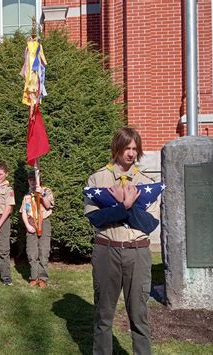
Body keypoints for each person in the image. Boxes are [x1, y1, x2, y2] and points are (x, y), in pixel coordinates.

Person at [84, 128, 160, 355]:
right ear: (116, 148)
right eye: (127, 148)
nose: (131, 154)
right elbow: (96, 219)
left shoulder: (147, 183)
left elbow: (149, 224)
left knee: (139, 316)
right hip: (107, 252)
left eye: (135, 149)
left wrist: (130, 206)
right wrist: (123, 207)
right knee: (104, 315)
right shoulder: (98, 179)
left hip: (137, 253)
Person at [20, 170, 54, 288]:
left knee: (44, 251)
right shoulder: (27, 196)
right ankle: (34, 277)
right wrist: (28, 225)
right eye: (30, 180)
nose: (33, 182)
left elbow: (48, 205)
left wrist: (42, 194)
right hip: (31, 223)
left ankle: (43, 278)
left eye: (35, 179)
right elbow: (24, 212)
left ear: (39, 180)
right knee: (31, 252)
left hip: (44, 222)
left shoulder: (46, 191)